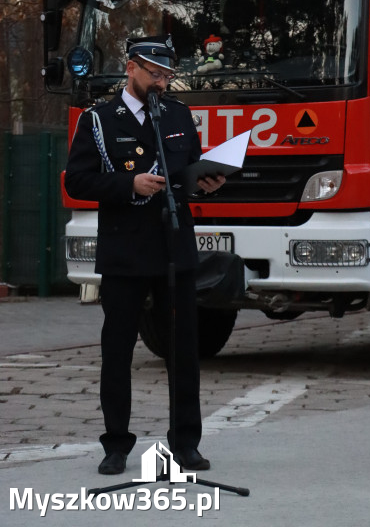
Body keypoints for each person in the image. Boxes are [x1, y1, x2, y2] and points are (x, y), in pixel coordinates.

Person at [65, 35, 225, 476]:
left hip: (174, 247)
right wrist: (126, 185)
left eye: (167, 75)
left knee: (184, 350)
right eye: (154, 74)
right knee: (118, 350)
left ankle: (185, 444)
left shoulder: (177, 114)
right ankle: (116, 444)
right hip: (124, 249)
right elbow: (76, 181)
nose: (161, 82)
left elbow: (189, 168)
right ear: (131, 67)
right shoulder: (98, 119)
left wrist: (206, 182)